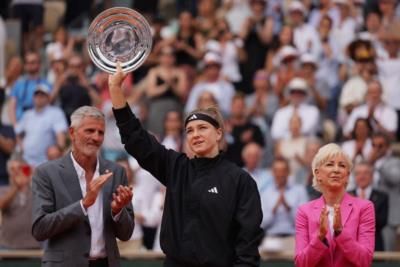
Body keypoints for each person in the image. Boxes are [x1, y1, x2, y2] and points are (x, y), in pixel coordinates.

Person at [108, 64, 263, 266]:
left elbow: (248, 248)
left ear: (218, 133)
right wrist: (115, 90)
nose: (195, 134)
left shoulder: (240, 180)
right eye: (189, 130)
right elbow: (138, 141)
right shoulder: (177, 168)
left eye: (202, 128)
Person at [31, 106, 135, 267]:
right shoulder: (46, 173)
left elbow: (126, 234)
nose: (96, 137)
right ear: (72, 133)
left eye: (101, 132)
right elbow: (40, 229)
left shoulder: (116, 172)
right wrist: (83, 204)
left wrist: (118, 211)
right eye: (90, 131)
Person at [295, 143, 375, 267]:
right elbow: (301, 263)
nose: (336, 170)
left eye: (342, 166)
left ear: (347, 175)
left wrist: (340, 233)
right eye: (330, 164)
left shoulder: (364, 207)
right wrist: (320, 237)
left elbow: (365, 260)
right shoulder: (304, 211)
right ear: (317, 174)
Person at [349, 161, 388, 251]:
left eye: (366, 173)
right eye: (358, 173)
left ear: (372, 176)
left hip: (375, 245)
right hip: (352, 246)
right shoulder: (346, 196)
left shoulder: (382, 197)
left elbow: (382, 222)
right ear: (354, 177)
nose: (362, 177)